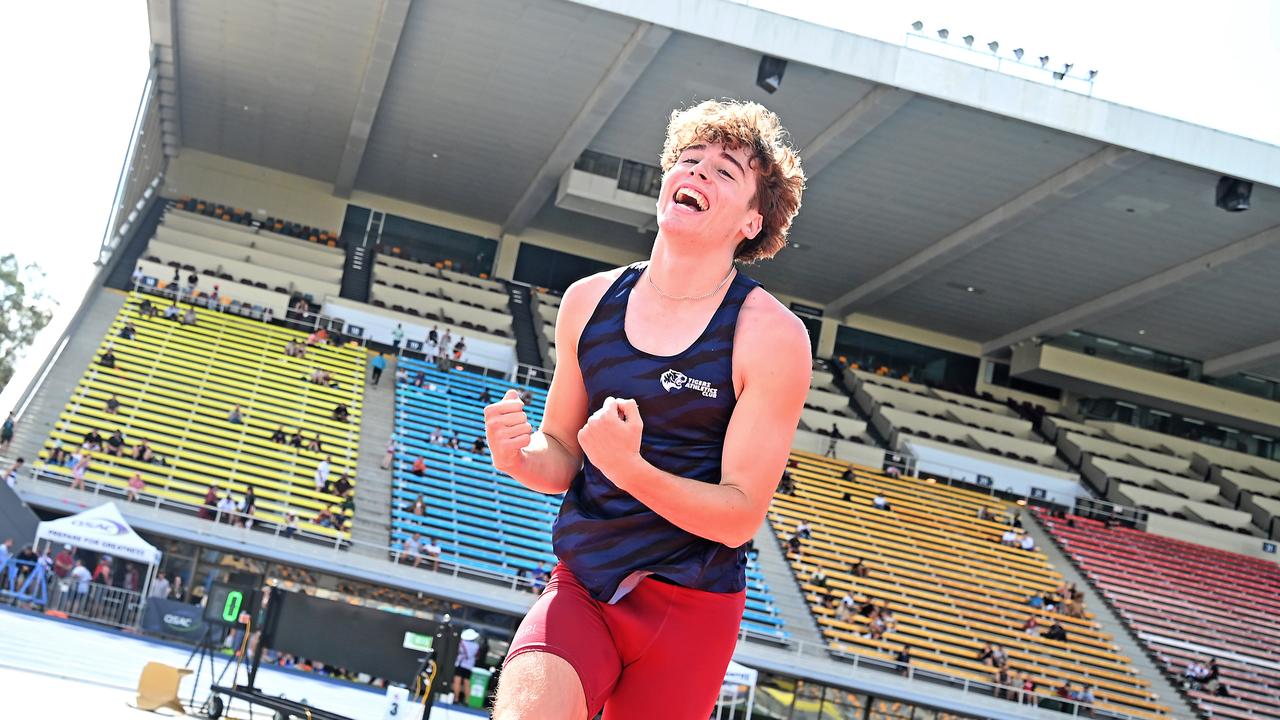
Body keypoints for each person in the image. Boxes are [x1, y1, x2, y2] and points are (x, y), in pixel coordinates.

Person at [486, 99, 809, 719]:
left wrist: (631, 470)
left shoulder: (769, 334)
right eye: (689, 161)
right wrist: (518, 455)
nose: (697, 173)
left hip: (691, 610)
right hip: (585, 579)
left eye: (724, 171)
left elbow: (740, 516)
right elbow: (559, 457)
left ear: (752, 221)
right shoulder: (588, 301)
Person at [453, 628, 481, 703]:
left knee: (457, 681)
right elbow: (477, 656)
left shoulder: (461, 643)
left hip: (460, 664)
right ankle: (467, 700)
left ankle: (456, 698)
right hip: (469, 666)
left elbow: (456, 652)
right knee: (467, 683)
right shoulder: (476, 646)